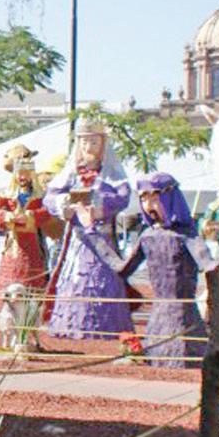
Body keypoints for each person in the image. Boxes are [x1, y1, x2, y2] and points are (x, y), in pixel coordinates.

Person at [77, 174, 219, 367]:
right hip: (157, 324)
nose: (148, 205)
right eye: (143, 199)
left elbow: (212, 267)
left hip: (184, 322)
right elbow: (121, 268)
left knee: (184, 364)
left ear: (170, 198)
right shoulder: (147, 236)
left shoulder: (186, 235)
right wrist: (90, 231)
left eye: (154, 198)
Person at [44, 120, 133, 338]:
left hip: (102, 237)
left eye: (93, 142)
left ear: (103, 144)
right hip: (77, 238)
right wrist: (64, 204)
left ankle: (105, 326)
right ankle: (70, 323)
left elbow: (123, 196)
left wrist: (98, 205)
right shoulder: (72, 173)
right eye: (84, 142)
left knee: (102, 276)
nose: (88, 147)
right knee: (74, 276)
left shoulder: (112, 174)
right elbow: (50, 196)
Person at [0, 144, 51, 296]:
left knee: (33, 282)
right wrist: (7, 216)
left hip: (33, 244)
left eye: (26, 173)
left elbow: (48, 211)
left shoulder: (40, 195)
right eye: (19, 173)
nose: (22, 177)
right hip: (13, 244)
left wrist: (31, 215)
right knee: (11, 282)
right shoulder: (7, 195)